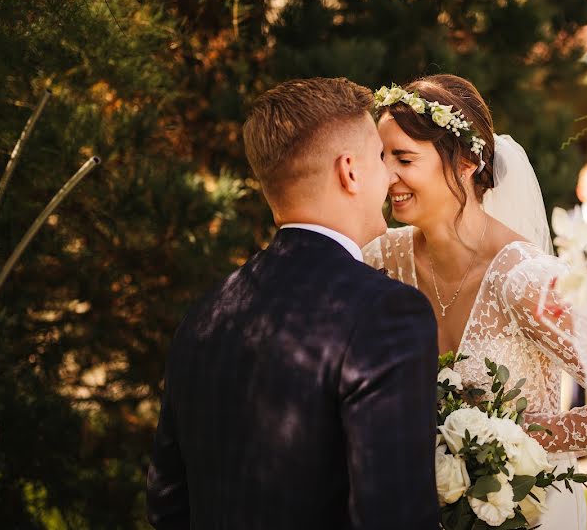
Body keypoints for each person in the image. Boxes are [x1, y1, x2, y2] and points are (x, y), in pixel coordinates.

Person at [364, 74, 587, 529]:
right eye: (381, 158)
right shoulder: (381, 260)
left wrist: (516, 441)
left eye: (404, 158)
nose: (388, 176)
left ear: (467, 161)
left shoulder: (526, 280)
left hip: (524, 514)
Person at [147, 77, 439, 529]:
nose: (389, 176)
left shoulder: (205, 314)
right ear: (350, 172)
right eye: (380, 158)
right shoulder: (386, 314)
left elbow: (167, 504)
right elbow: (393, 515)